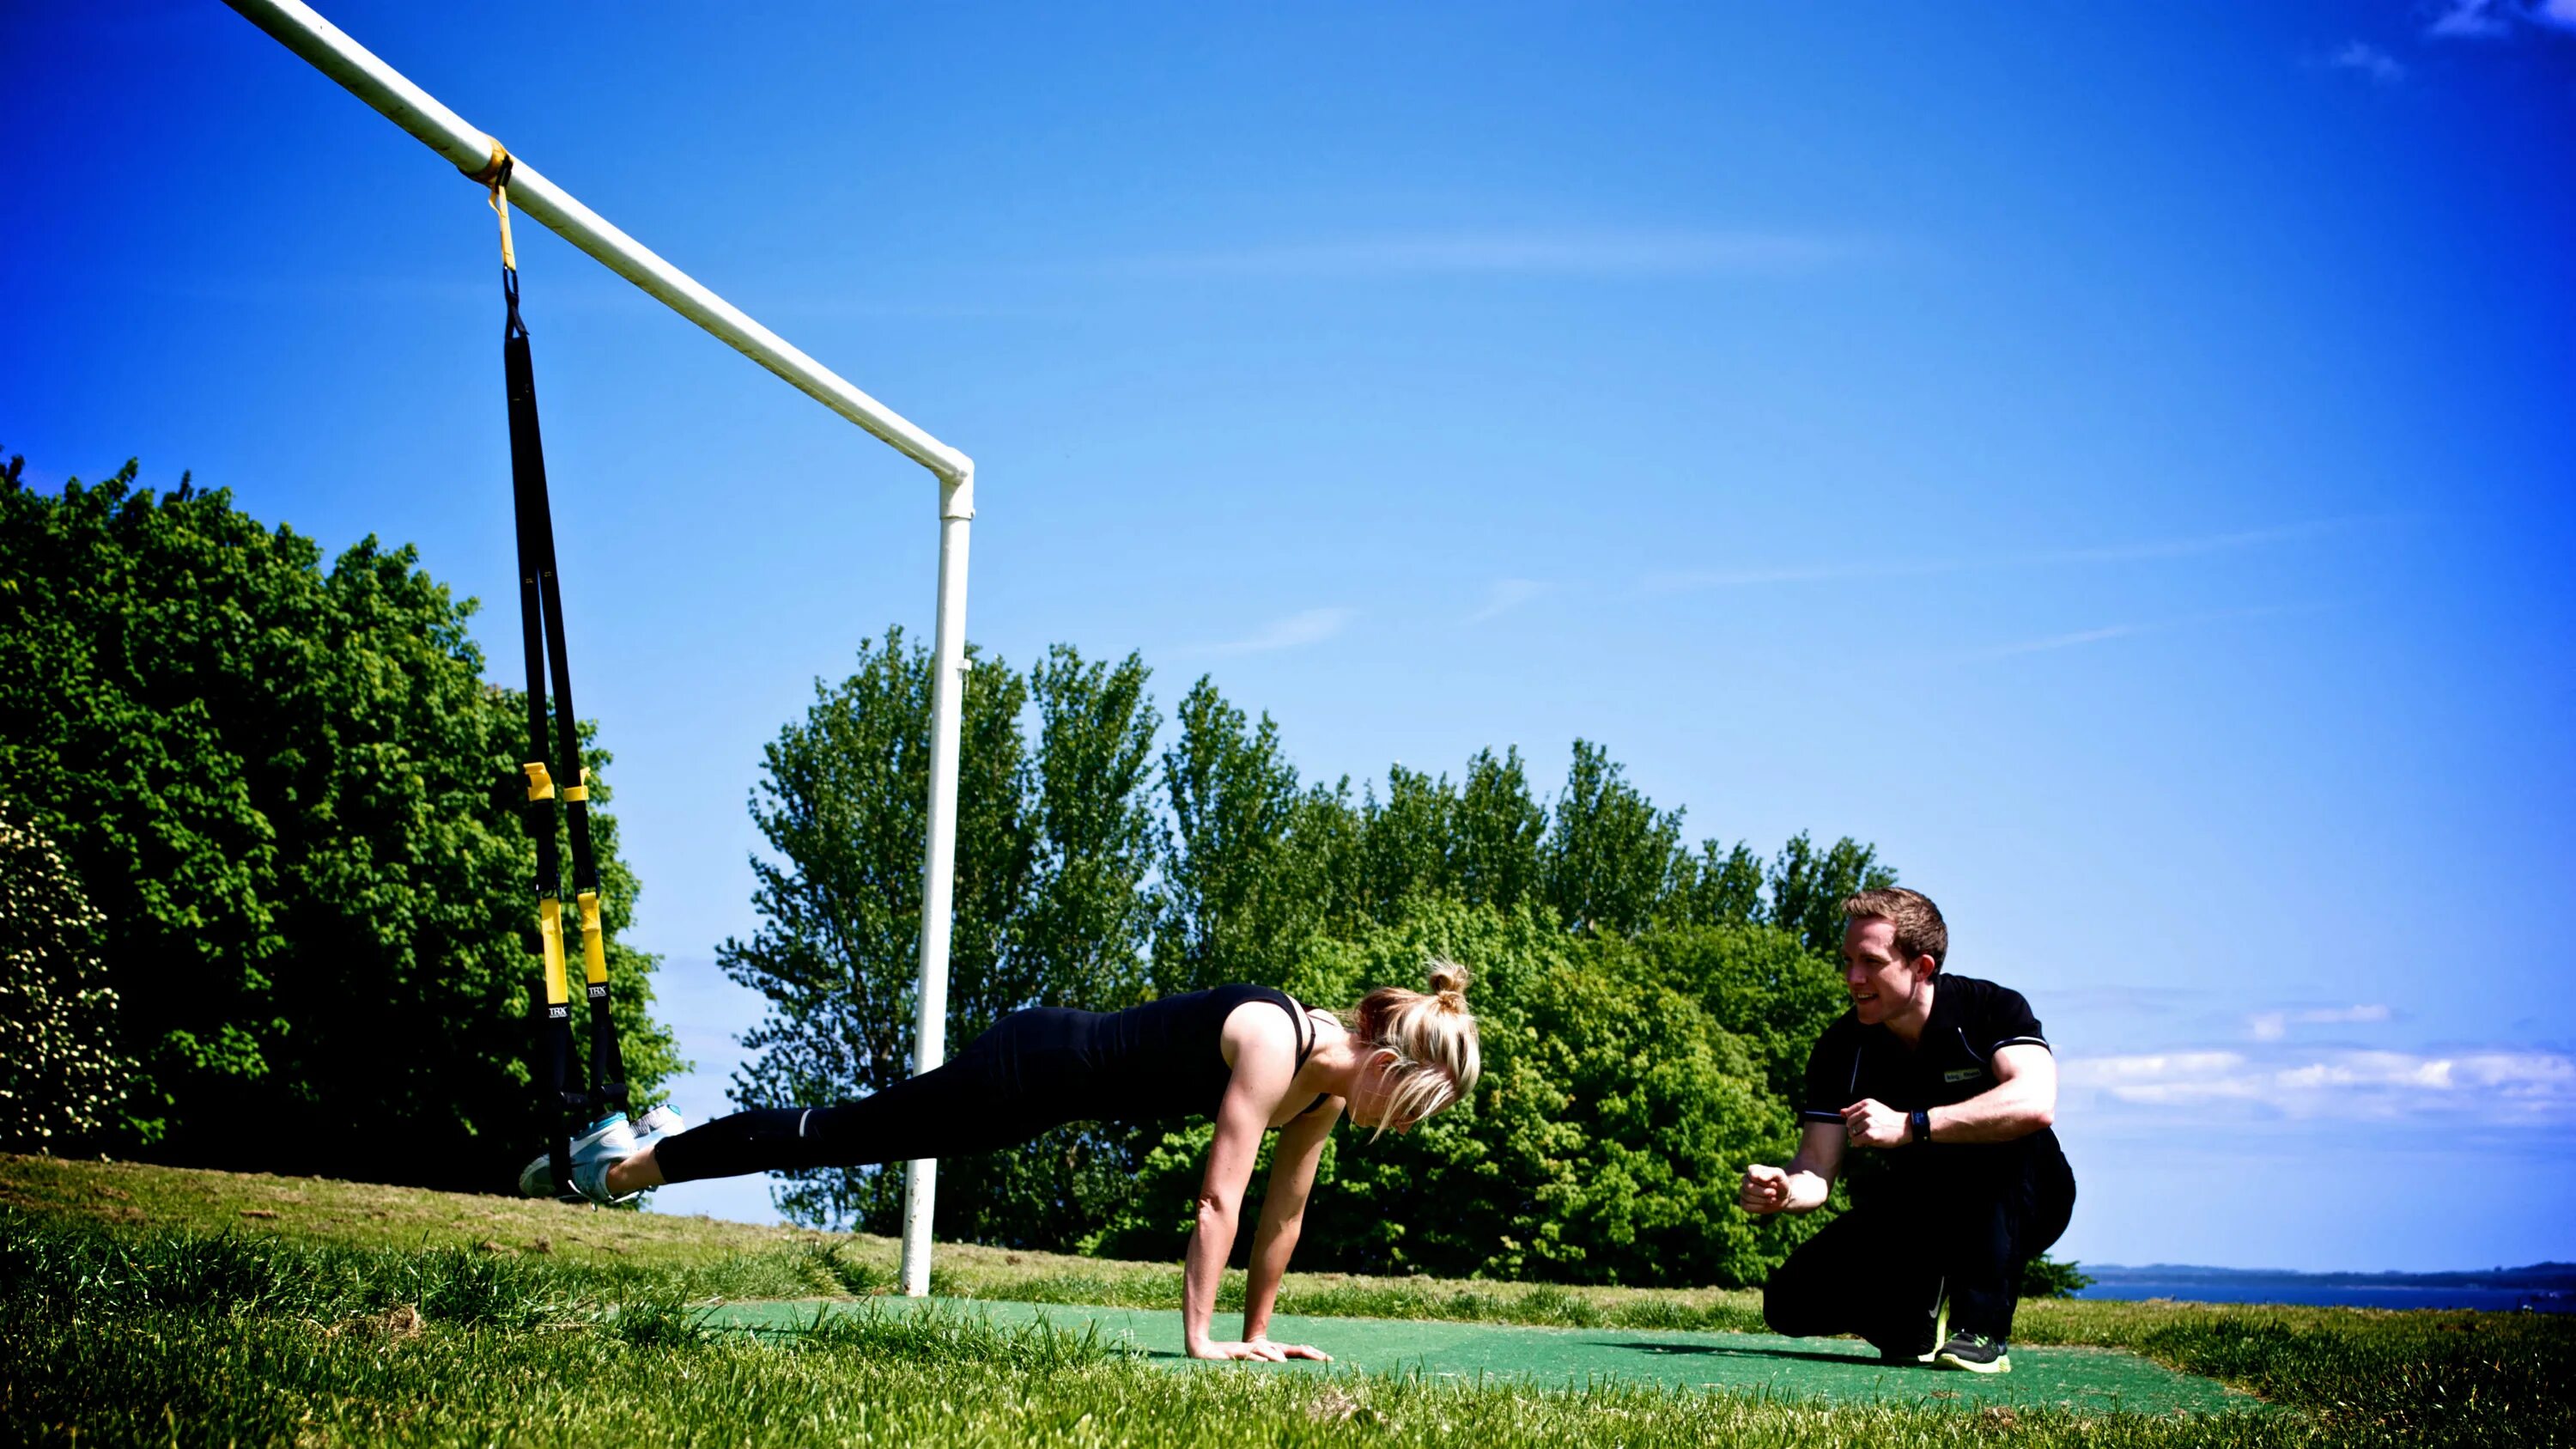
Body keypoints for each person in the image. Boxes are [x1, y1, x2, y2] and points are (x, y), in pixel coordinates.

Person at [525, 964, 1481, 1363]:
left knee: (848, 1133)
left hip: (1047, 1102)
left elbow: (1282, 1216)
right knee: (841, 1136)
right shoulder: (1276, 1042)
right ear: (1387, 1062)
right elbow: (1218, 1199)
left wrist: (1258, 1331)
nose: (1398, 1128)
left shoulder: (1317, 1096)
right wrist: (1201, 1339)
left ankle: (638, 1151)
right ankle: (625, 1164)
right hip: (1032, 1067)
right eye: (1406, 1109)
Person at [1740, 887, 2073, 1374]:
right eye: (1848, 961)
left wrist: (1912, 1125)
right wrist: (1786, 1190)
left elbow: (2035, 1103)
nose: (1854, 978)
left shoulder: (1989, 1009)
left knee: (2000, 1138)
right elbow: (1816, 1167)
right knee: (1789, 1303)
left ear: (1922, 968)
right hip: (1922, 1210)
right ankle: (1915, 1315)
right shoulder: (1841, 1046)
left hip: (2027, 1200)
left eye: (1871, 962)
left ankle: (1981, 1327)